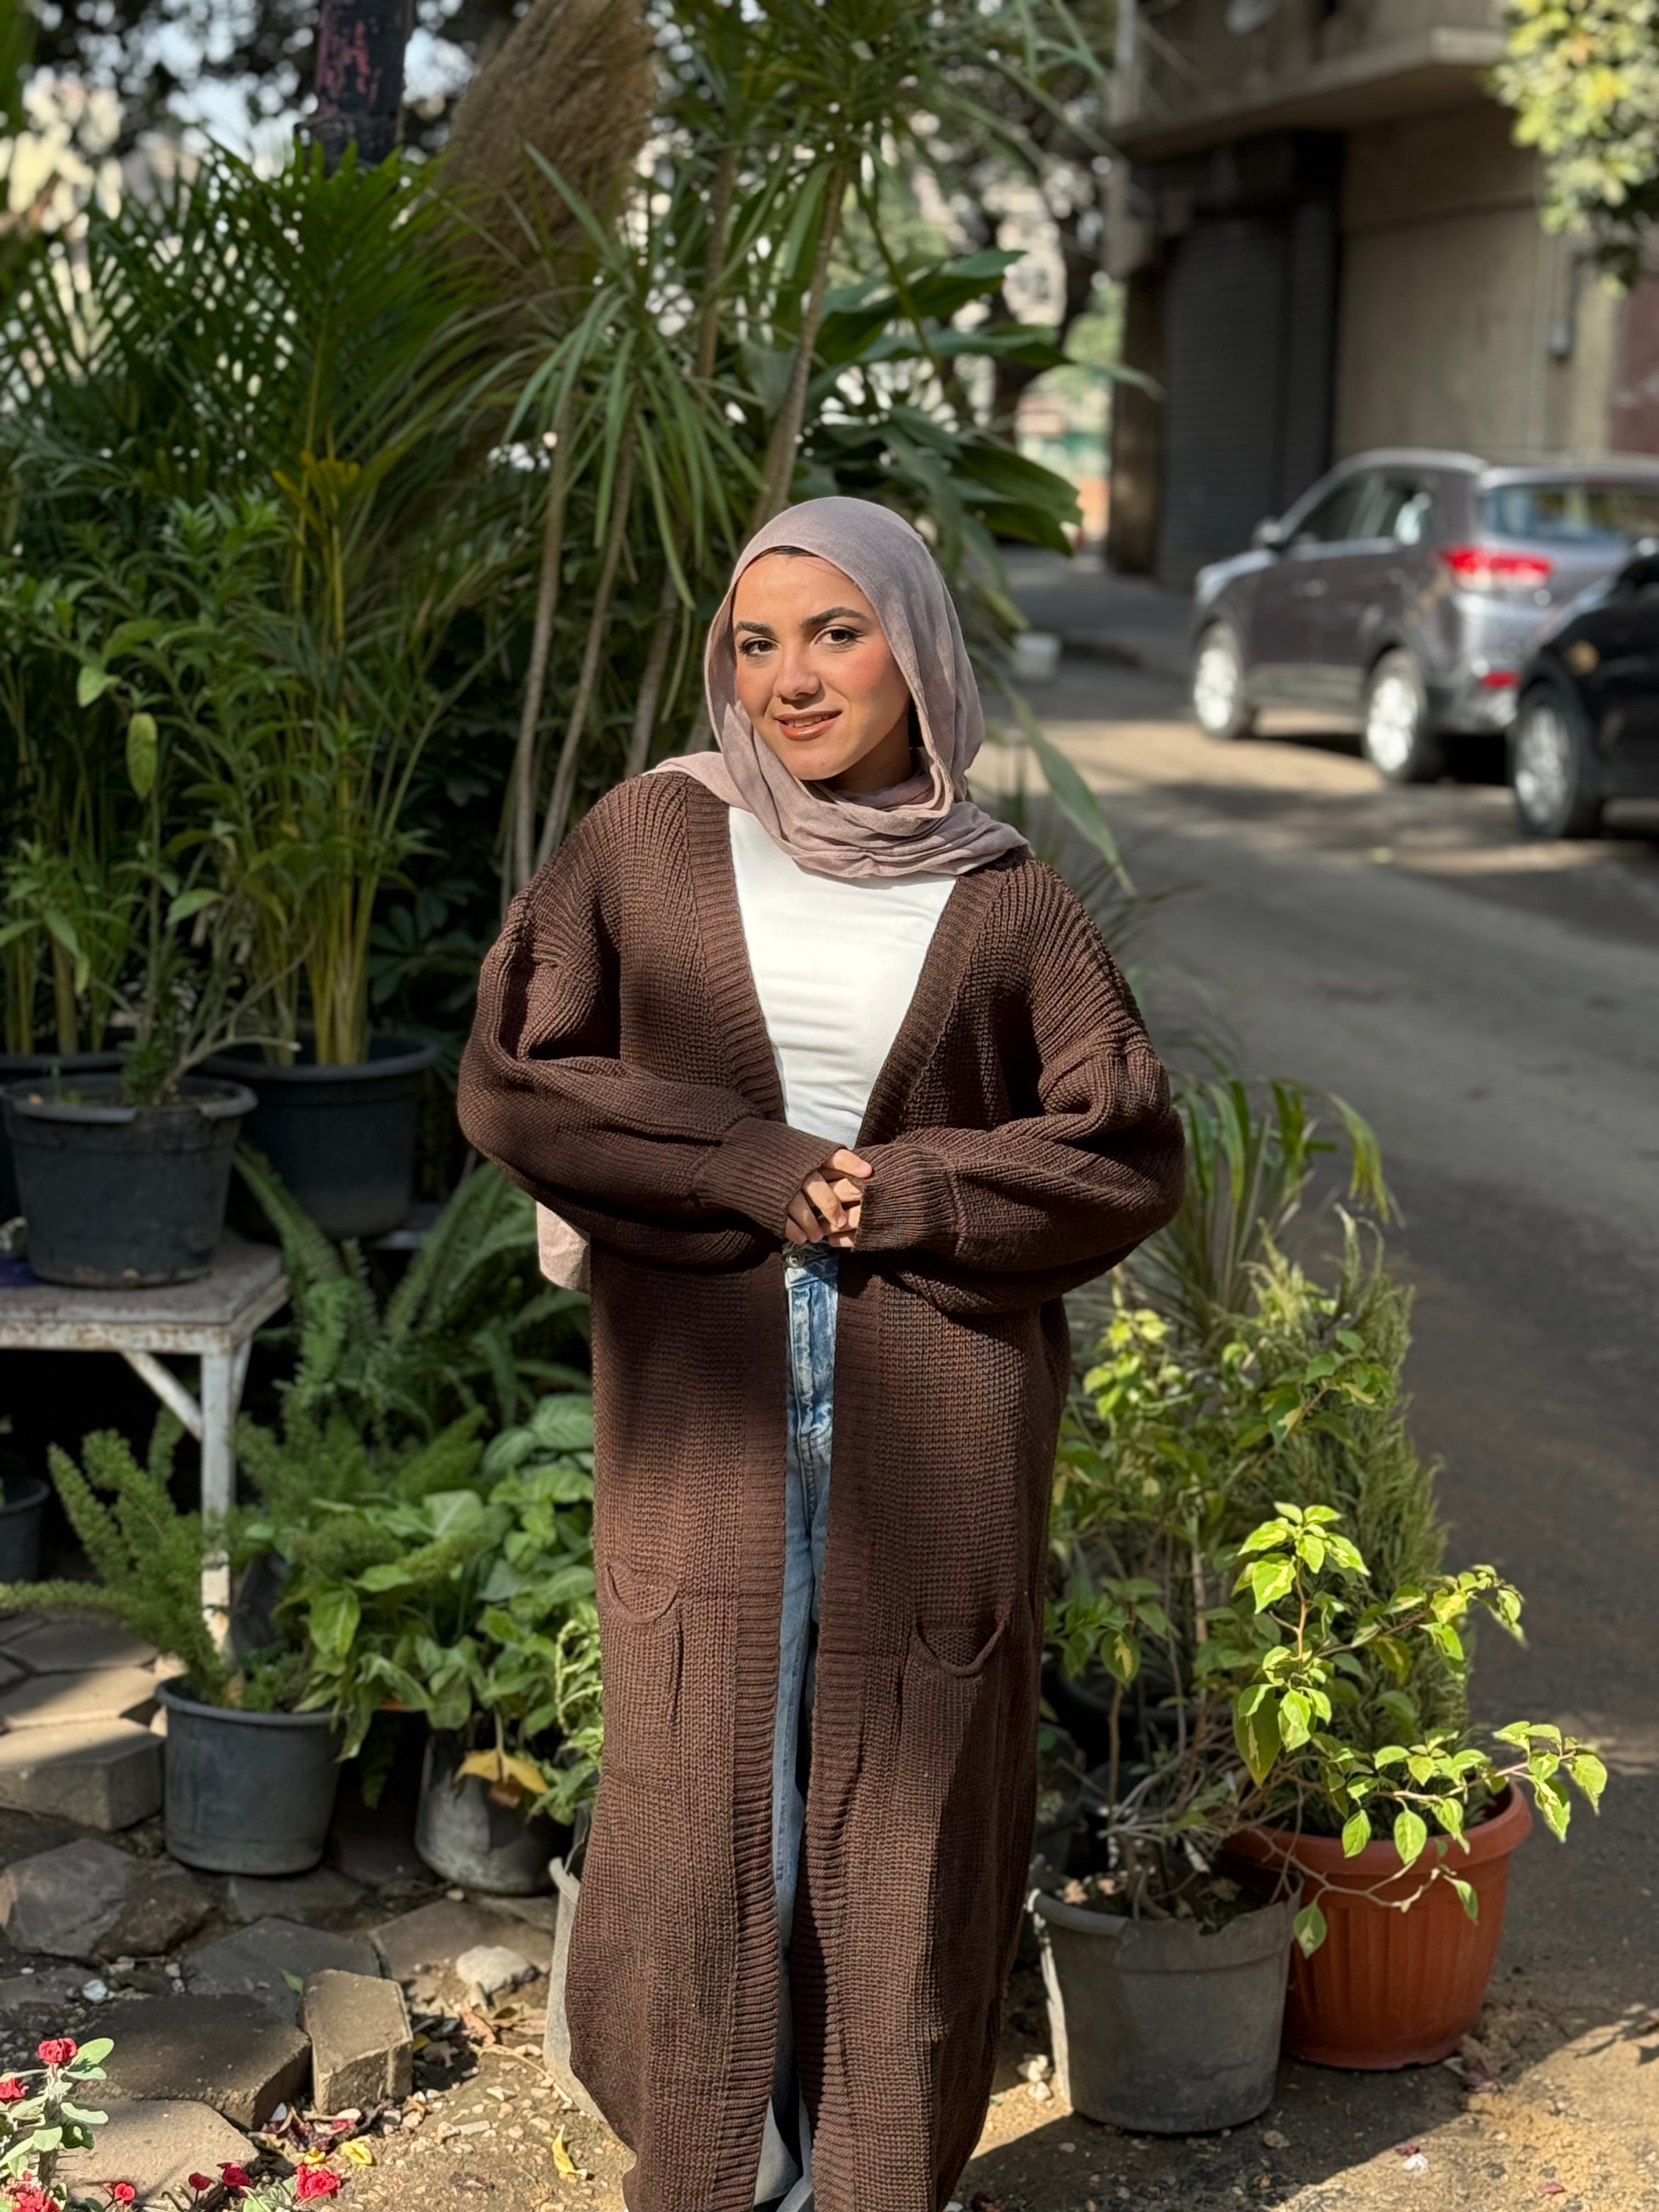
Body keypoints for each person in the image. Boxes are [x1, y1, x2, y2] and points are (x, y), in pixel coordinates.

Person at [458, 496, 1185, 2212]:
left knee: (909, 1800)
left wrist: (913, 1193)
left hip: (933, 1415)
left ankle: (868, 2179)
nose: (791, 679)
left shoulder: (1007, 901)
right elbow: (518, 1076)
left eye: (836, 632)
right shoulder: (646, 840)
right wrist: (758, 1169)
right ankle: (712, 2168)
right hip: (702, 1408)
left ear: (917, 651)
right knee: (700, 1783)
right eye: (757, 642)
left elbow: (1125, 1148)